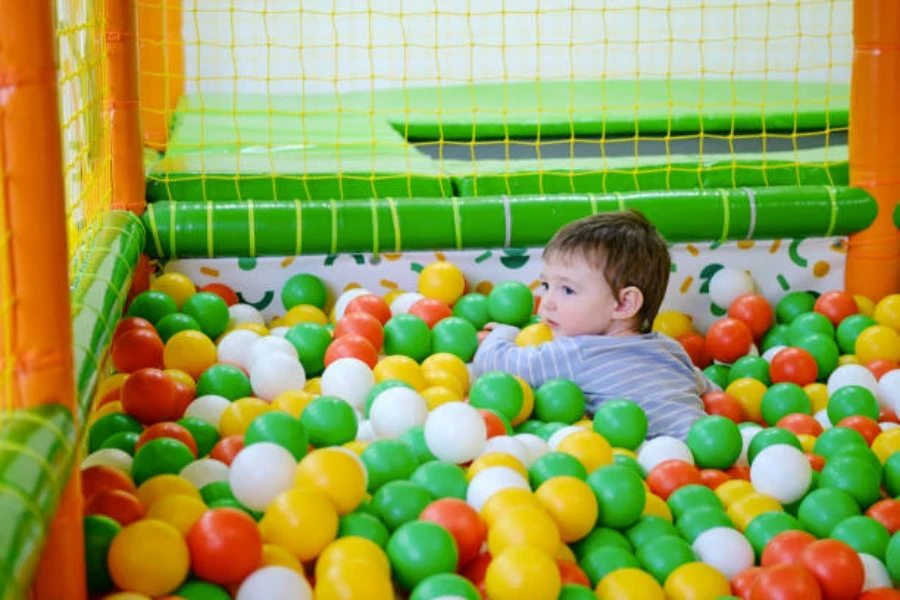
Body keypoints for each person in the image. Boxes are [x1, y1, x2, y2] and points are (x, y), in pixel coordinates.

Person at [471, 209, 718, 441]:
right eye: (546, 286)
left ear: (623, 304)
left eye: (567, 289)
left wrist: (505, 331)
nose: (546, 304)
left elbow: (492, 362)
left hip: (650, 466)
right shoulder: (670, 350)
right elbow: (712, 393)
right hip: (706, 449)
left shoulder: (578, 352)